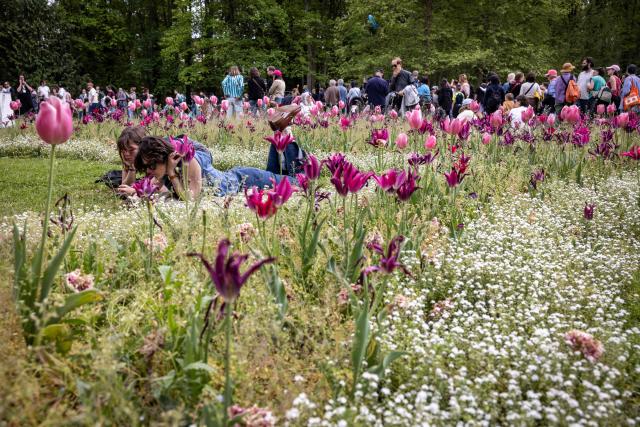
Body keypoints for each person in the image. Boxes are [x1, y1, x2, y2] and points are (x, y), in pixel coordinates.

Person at [134, 136, 296, 200]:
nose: (149, 171)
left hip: (249, 181)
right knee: (283, 176)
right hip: (239, 180)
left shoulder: (189, 161)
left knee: (299, 182)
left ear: (164, 157)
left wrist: (172, 175)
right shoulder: (164, 171)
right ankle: (279, 142)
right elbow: (163, 195)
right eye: (146, 167)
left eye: (152, 165)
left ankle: (286, 135)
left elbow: (191, 199)